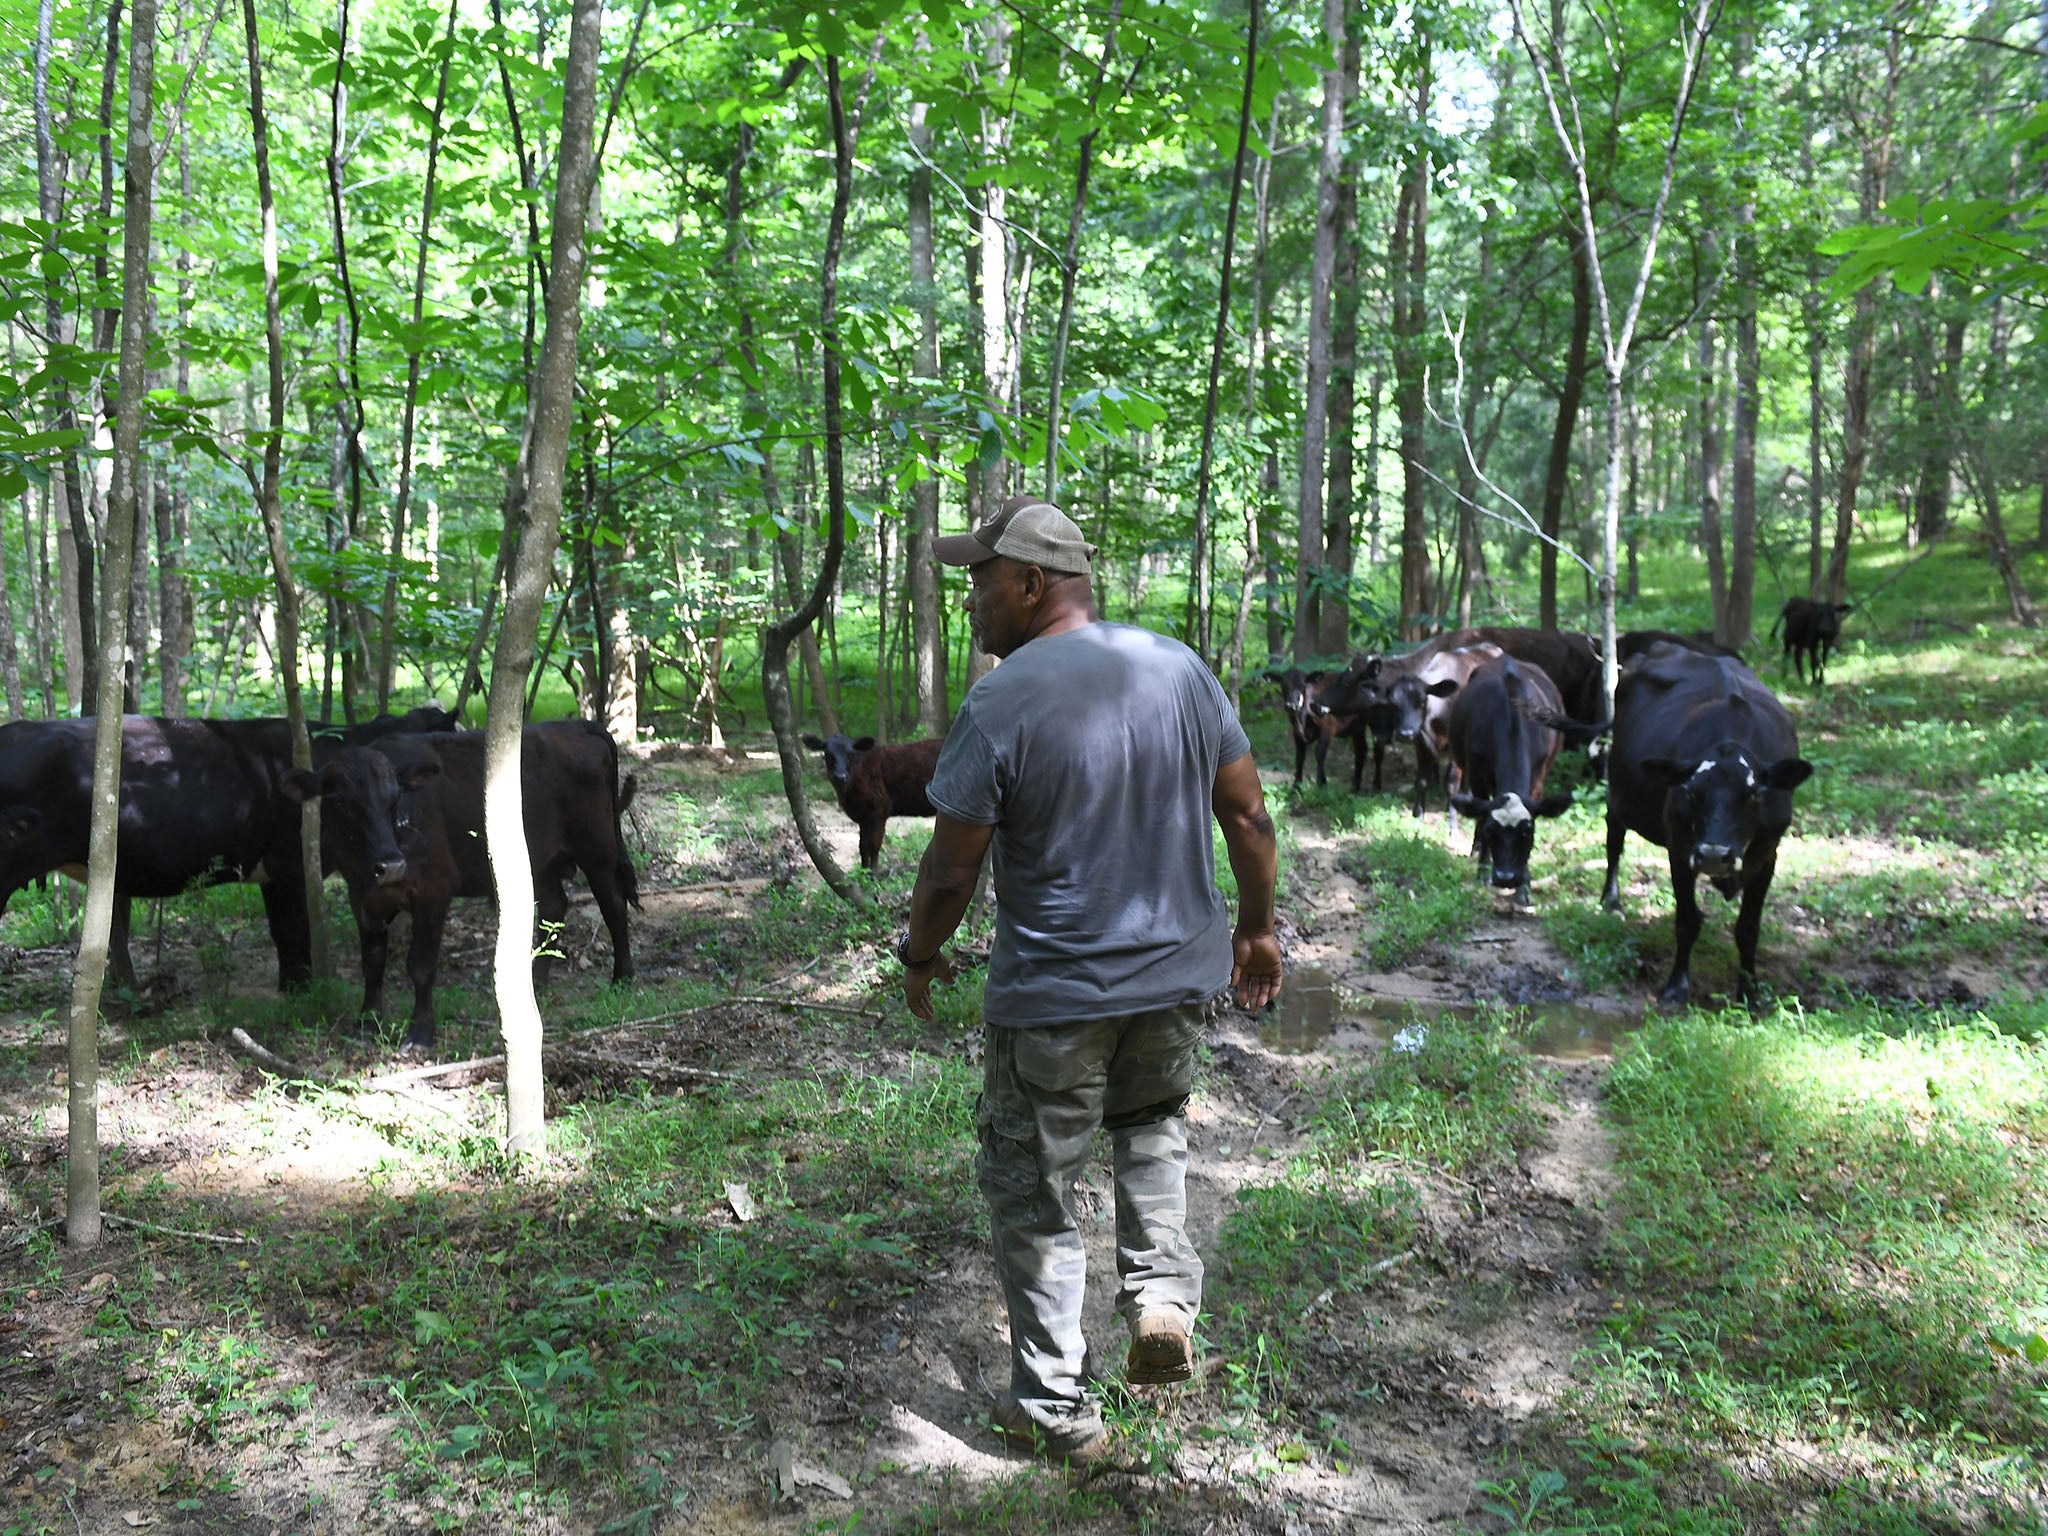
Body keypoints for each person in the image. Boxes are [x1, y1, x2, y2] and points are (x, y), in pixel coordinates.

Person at [898, 494, 1282, 1465]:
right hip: (1175, 981)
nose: (972, 603)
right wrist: (1256, 930)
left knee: (1033, 1189)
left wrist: (919, 953)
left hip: (1055, 999)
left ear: (1031, 585)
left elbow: (951, 868)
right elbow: (1245, 817)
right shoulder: (1178, 669)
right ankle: (1157, 1299)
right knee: (1150, 1133)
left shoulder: (1002, 698)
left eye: (981, 583)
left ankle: (1056, 1410)